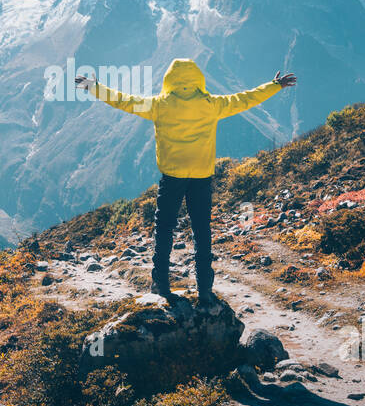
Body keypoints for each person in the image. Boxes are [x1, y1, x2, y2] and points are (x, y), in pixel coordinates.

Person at [75, 59, 297, 301]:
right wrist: (274, 86)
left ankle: (160, 284)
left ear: (169, 79)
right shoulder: (212, 104)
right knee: (202, 231)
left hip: (172, 177)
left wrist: (94, 87)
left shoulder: (159, 105)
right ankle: (204, 290)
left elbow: (124, 101)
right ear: (198, 79)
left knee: (164, 229)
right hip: (201, 176)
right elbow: (246, 99)